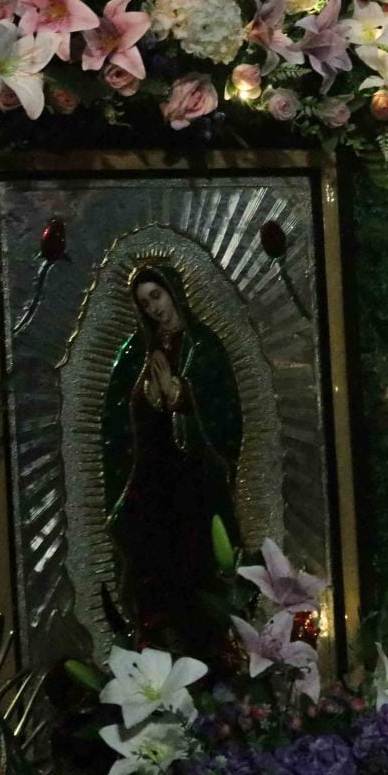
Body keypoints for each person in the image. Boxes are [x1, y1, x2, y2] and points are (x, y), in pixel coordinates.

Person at [101, 262, 242, 661]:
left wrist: (181, 397)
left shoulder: (204, 347)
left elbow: (226, 415)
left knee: (197, 572)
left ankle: (210, 653)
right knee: (153, 572)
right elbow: (117, 425)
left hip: (195, 486)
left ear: (174, 291)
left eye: (157, 296)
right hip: (154, 482)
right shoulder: (137, 354)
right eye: (144, 303)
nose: (153, 308)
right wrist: (146, 401)